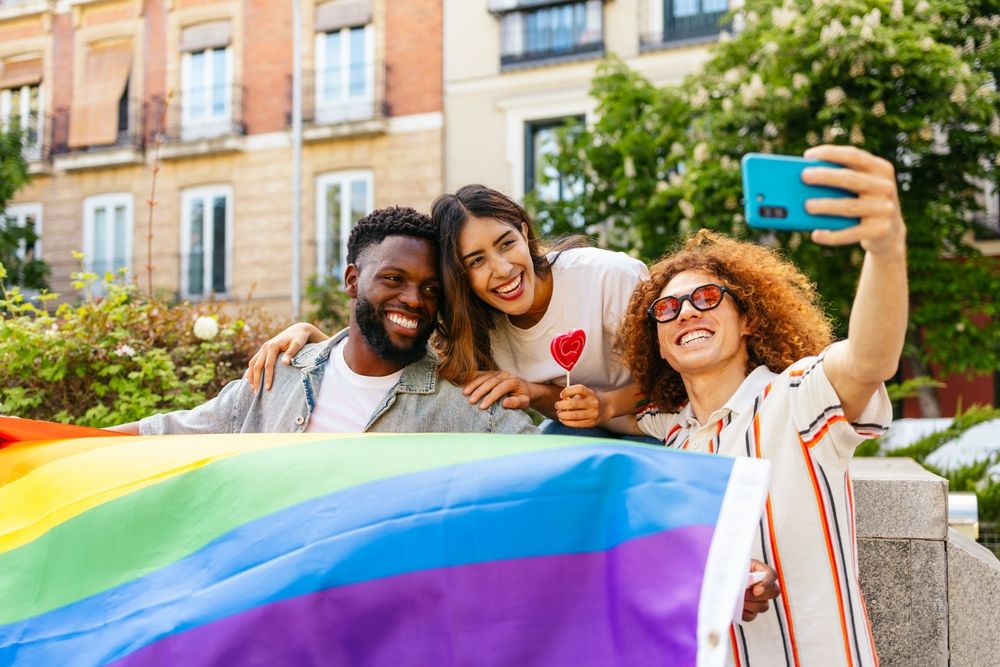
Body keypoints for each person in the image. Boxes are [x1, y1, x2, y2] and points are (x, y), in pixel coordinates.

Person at [610, 146, 906, 666]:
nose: (685, 313)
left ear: (748, 320)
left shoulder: (797, 397)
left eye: (707, 299)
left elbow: (867, 361)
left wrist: (886, 248)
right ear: (658, 342)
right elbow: (602, 413)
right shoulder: (670, 439)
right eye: (667, 308)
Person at [248, 185, 650, 437]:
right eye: (476, 261)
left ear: (525, 232)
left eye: (506, 243)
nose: (502, 270)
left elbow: (686, 376)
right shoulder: (478, 327)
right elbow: (399, 356)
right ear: (461, 276)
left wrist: (607, 405)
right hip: (583, 437)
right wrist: (314, 340)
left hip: (663, 427)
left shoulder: (608, 277)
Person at [109, 207, 537, 436]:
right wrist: (59, 443)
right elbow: (172, 432)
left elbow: (557, 474)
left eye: (430, 289)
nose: (413, 299)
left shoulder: (469, 404)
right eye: (394, 279)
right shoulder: (276, 377)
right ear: (352, 280)